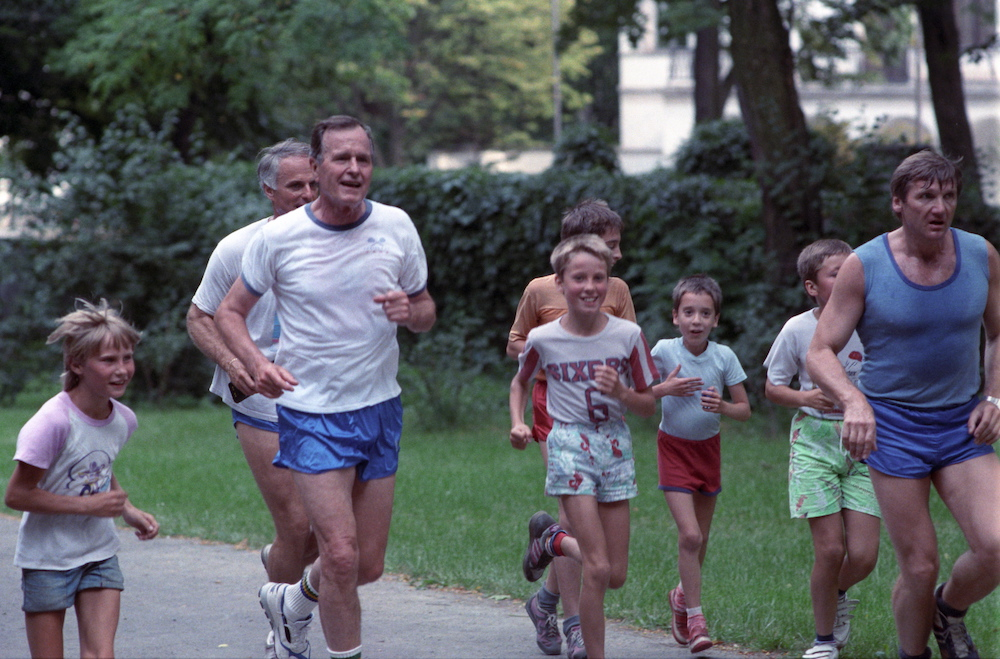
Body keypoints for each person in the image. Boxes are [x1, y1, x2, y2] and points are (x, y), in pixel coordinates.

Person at [215, 115, 436, 659]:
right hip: (311, 412)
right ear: (317, 166)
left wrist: (413, 312)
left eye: (363, 158)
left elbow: (426, 308)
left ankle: (292, 604)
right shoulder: (279, 237)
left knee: (366, 565)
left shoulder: (397, 226)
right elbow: (228, 313)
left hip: (380, 408)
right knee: (339, 553)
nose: (354, 168)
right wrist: (253, 363)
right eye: (341, 157)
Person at [807, 150, 1000, 659]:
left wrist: (993, 396)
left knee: (998, 545)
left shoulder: (981, 255)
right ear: (899, 203)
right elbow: (820, 350)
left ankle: (949, 610)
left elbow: (998, 335)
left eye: (949, 196)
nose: (940, 207)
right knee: (919, 565)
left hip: (962, 425)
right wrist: (853, 401)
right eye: (926, 197)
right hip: (892, 427)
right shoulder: (865, 265)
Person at [511, 234, 658, 659]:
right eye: (579, 278)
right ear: (560, 282)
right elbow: (520, 382)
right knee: (596, 565)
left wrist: (625, 395)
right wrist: (518, 423)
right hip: (568, 441)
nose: (590, 286)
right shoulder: (543, 339)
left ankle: (552, 542)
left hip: (615, 446)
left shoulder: (628, 336)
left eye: (599, 277)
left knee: (615, 575)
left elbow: (648, 404)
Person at [187, 139, 319, 589]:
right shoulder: (237, 248)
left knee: (331, 531)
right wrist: (231, 360)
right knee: (297, 524)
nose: (306, 193)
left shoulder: (344, 243)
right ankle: (284, 628)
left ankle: (280, 565)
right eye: (295, 185)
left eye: (314, 184)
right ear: (269, 190)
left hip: (329, 394)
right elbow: (198, 317)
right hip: (262, 399)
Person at [4, 299, 160, 659]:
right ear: (76, 364)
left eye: (127, 358)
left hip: (98, 553)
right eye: (108, 360)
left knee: (101, 655)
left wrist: (127, 509)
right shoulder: (51, 423)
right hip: (47, 559)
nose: (122, 369)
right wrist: (88, 505)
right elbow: (17, 495)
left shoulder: (122, 419)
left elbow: (96, 466)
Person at [764, 239, 881, 659]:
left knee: (864, 556)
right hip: (814, 442)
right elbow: (773, 387)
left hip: (867, 445)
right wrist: (806, 398)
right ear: (812, 287)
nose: (849, 277)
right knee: (830, 549)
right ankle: (823, 640)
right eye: (836, 272)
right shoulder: (797, 329)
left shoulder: (876, 323)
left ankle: (836, 594)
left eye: (853, 269)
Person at [649, 273, 751, 654]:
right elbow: (638, 395)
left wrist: (722, 406)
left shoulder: (724, 357)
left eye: (704, 313)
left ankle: (679, 596)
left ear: (716, 319)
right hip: (673, 448)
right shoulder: (662, 351)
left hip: (708, 450)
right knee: (690, 536)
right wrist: (664, 389)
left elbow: (744, 410)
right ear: (675, 316)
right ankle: (696, 618)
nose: (696, 320)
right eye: (688, 312)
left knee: (701, 540)